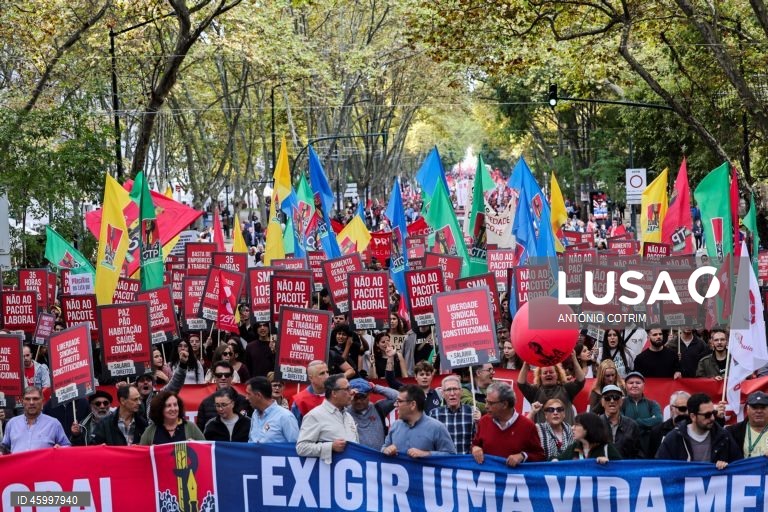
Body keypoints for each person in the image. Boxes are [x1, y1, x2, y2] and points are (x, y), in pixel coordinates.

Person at [656, 393, 741, 468]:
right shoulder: (674, 438)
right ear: (693, 416)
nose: (712, 418)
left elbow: (738, 465)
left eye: (713, 413)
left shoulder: (723, 436)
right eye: (707, 415)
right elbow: (661, 468)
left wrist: (727, 466)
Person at [471, 382, 545, 466]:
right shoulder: (484, 421)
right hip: (488, 477)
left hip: (514, 477)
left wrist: (522, 456)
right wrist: (475, 448)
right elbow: (475, 444)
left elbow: (539, 455)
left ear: (505, 404)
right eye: (486, 401)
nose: (486, 406)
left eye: (491, 403)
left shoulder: (527, 426)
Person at [296, 374, 359, 464]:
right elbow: (301, 448)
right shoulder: (315, 415)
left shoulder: (348, 416)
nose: (351, 392)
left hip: (350, 471)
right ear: (334, 393)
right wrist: (330, 447)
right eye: (347, 389)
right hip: (328, 474)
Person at [382, 384, 457, 458]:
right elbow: (383, 449)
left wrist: (427, 454)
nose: (395, 405)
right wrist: (386, 450)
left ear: (413, 404)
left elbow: (451, 456)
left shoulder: (437, 428)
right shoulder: (395, 426)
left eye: (399, 401)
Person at [518, 353, 585, 425]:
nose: (548, 374)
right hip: (543, 434)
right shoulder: (535, 390)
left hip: (566, 434)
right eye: (545, 373)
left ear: (557, 374)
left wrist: (574, 359)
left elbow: (581, 380)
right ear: (540, 376)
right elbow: (521, 384)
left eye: (551, 372)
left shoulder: (566, 388)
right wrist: (526, 363)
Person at [1, 387, 70, 454]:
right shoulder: (12, 423)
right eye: (27, 399)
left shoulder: (54, 424)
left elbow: (67, 446)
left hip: (44, 465)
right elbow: (5, 448)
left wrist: (60, 448)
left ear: (42, 401)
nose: (31, 403)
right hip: (18, 465)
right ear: (22, 402)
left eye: (35, 399)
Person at [196, 360, 251, 431]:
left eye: (227, 375)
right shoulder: (206, 403)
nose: (223, 377)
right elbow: (200, 433)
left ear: (232, 377)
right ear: (214, 377)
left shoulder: (245, 401)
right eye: (219, 375)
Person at [428, 375, 477, 454]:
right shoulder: (434, 414)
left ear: (461, 392)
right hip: (443, 463)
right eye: (448, 390)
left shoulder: (472, 412)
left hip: (464, 463)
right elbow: (429, 442)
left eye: (455, 389)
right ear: (443, 393)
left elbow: (478, 441)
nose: (452, 393)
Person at [347, 378, 398, 450]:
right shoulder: (345, 411)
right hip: (357, 458)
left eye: (362, 397)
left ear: (369, 395)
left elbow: (397, 396)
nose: (358, 401)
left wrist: (375, 387)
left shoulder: (379, 408)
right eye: (355, 397)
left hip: (378, 458)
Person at [620, 371, 663, 458]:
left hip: (648, 446)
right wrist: (647, 424)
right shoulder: (621, 403)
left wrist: (637, 422)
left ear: (643, 385)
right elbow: (620, 421)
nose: (634, 385)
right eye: (631, 383)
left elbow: (658, 419)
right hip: (626, 447)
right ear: (625, 386)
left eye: (638, 383)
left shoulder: (652, 404)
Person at [245, 376, 299, 443]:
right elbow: (251, 441)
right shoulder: (255, 414)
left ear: (258, 395)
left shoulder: (286, 417)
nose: (246, 398)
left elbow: (294, 447)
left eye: (248, 394)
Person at [139, 391, 205, 445]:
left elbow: (206, 449)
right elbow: (141, 455)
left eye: (175, 405)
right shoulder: (150, 431)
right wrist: (149, 450)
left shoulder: (190, 427)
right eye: (168, 406)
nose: (173, 409)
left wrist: (196, 445)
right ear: (160, 409)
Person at [555, 412, 622, 462]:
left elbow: (622, 468)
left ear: (589, 427)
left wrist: (609, 463)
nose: (572, 428)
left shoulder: (607, 448)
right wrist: (554, 460)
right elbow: (557, 460)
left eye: (577, 425)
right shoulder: (574, 447)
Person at [599, 384, 641, 459]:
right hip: (601, 468)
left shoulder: (632, 425)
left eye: (616, 397)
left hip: (626, 468)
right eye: (607, 398)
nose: (612, 401)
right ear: (602, 402)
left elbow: (638, 453)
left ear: (621, 401)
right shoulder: (595, 424)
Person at [649, 391, 691, 457]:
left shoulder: (698, 430)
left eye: (690, 409)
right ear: (671, 409)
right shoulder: (657, 431)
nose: (686, 412)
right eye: (682, 409)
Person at [727, 391, 768, 458]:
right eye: (754, 407)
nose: (759, 411)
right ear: (747, 409)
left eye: (763, 407)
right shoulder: (732, 432)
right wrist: (719, 420)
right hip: (744, 468)